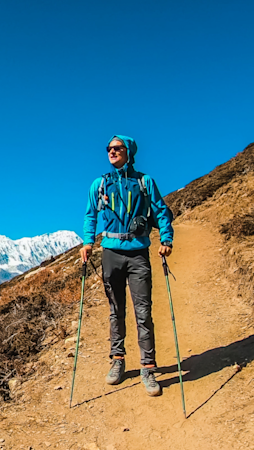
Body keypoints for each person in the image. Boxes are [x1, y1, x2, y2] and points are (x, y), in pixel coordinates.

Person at [80, 135, 174, 397]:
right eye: (109, 148)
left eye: (117, 148)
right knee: (116, 309)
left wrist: (166, 239)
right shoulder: (99, 184)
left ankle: (148, 367)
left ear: (129, 152)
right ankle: (117, 360)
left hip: (138, 253)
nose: (111, 152)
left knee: (143, 311)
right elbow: (90, 214)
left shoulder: (145, 182)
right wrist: (88, 242)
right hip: (111, 252)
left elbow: (161, 211)